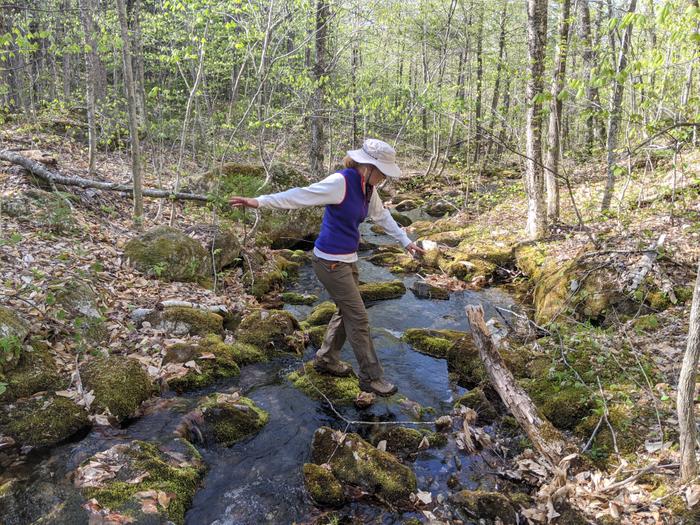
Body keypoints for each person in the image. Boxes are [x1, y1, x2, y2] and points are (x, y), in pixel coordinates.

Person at [230, 138, 424, 396]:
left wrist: (405, 242)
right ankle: (371, 377)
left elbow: (381, 216)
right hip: (329, 262)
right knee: (359, 317)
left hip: (347, 259)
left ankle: (326, 359)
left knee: (347, 311)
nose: (384, 179)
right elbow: (301, 195)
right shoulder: (340, 182)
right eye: (382, 173)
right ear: (367, 166)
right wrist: (259, 201)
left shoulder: (368, 188)